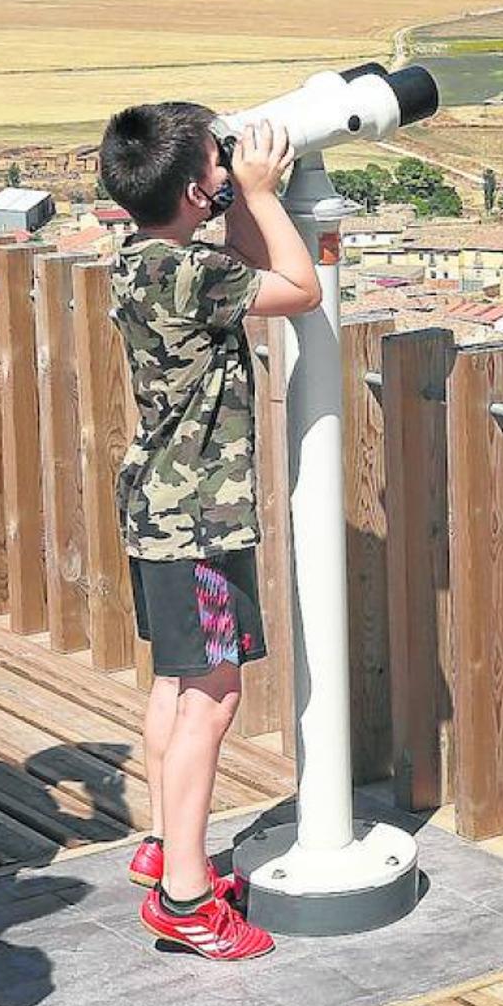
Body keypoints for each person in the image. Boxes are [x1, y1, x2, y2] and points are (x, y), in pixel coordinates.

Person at [97, 103, 319, 961]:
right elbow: (297, 288)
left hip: (158, 507)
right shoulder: (195, 273)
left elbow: (243, 268)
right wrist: (259, 193)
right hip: (200, 518)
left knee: (176, 684)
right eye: (218, 164)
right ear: (196, 191)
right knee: (213, 697)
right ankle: (186, 896)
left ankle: (163, 845)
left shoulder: (142, 260)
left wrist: (233, 195)